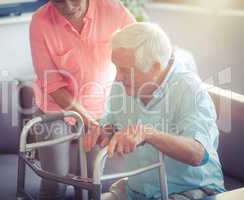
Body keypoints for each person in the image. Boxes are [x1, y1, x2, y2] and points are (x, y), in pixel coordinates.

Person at [85, 22, 225, 200]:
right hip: (136, 191)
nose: (118, 77)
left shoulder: (190, 88)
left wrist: (148, 133)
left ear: (155, 67)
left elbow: (198, 153)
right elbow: (113, 121)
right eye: (116, 67)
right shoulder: (122, 83)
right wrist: (104, 130)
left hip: (190, 191)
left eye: (125, 70)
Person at [29, 0, 135, 199]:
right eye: (60, 2)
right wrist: (87, 120)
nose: (69, 7)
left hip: (98, 109)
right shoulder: (39, 21)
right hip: (55, 111)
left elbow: (141, 42)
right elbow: (52, 85)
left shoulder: (113, 9)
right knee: (55, 184)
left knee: (90, 184)